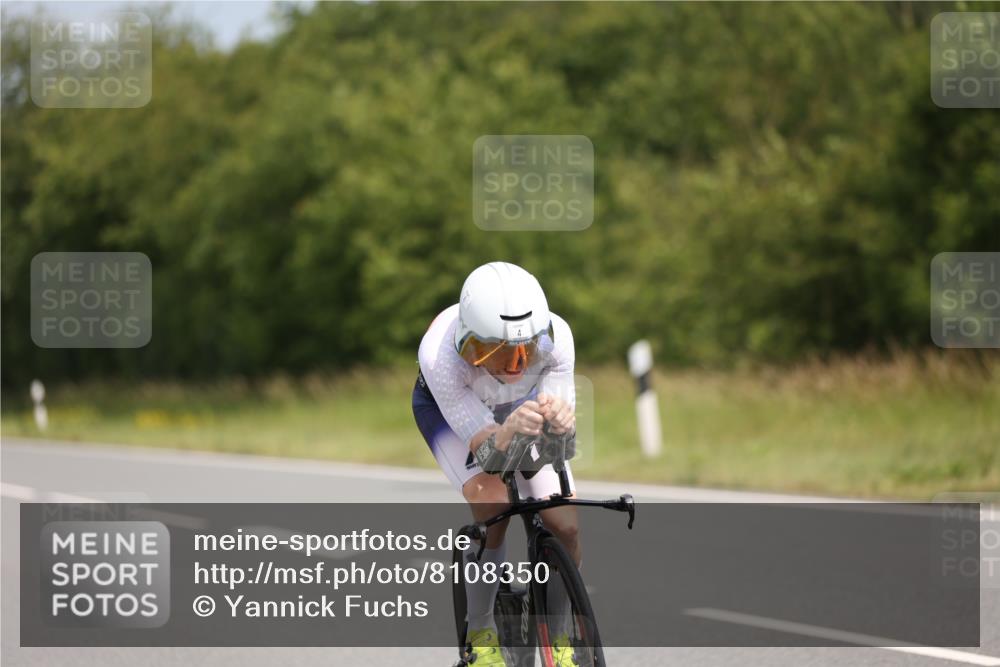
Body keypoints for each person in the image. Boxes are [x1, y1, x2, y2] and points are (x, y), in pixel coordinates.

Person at [412, 262, 581, 667]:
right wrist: (507, 435)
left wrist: (561, 422)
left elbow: (562, 446)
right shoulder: (440, 357)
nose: (516, 364)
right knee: (493, 504)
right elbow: (487, 452)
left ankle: (561, 640)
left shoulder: (556, 339)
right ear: (471, 343)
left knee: (565, 520)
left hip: (518, 410)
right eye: (499, 351)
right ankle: (481, 636)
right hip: (452, 418)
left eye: (527, 349)